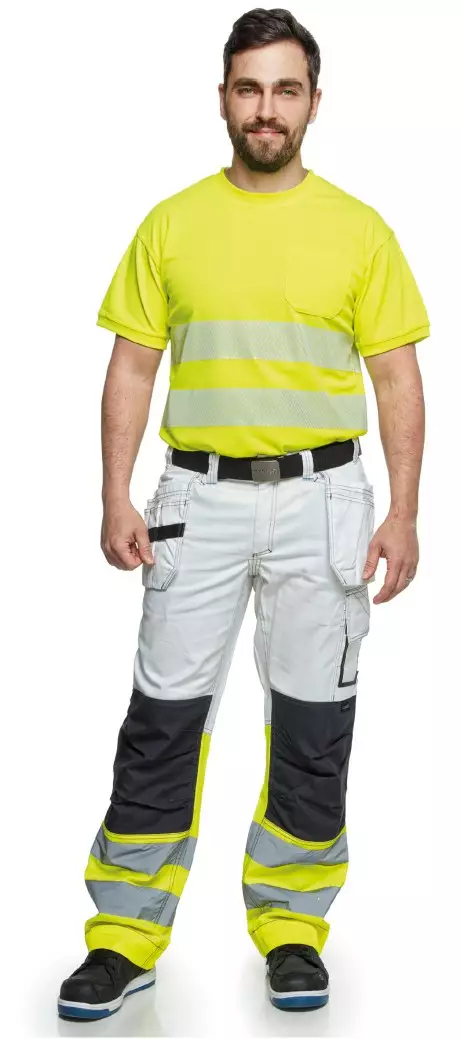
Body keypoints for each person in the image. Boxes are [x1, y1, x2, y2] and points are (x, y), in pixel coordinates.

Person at [57, 6, 430, 1021]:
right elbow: (132, 365)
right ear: (222, 98)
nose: (266, 108)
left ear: (313, 102)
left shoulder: (359, 229)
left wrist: (402, 512)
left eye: (284, 89)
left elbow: (395, 378)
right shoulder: (170, 223)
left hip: (324, 502)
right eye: (248, 88)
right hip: (196, 501)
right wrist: (113, 492)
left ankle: (292, 926)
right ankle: (124, 936)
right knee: (162, 720)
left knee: (312, 725)